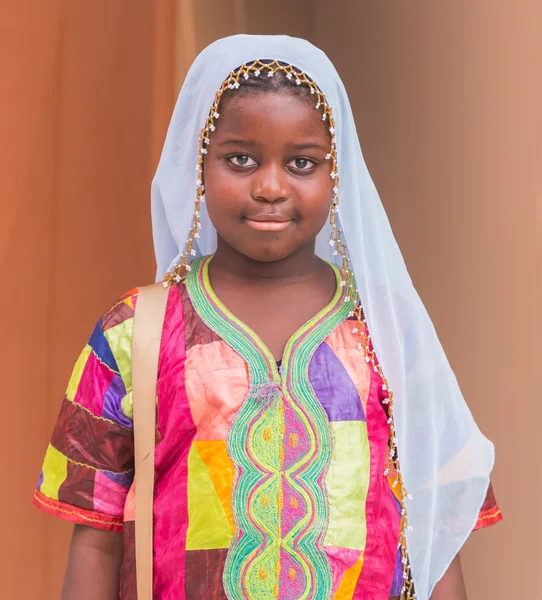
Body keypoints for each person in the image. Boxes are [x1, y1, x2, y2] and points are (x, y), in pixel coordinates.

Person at [33, 35, 502, 599]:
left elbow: (437, 537)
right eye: (241, 159)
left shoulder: (387, 334)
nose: (271, 186)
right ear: (199, 165)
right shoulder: (136, 333)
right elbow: (96, 539)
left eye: (302, 162)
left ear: (338, 175)